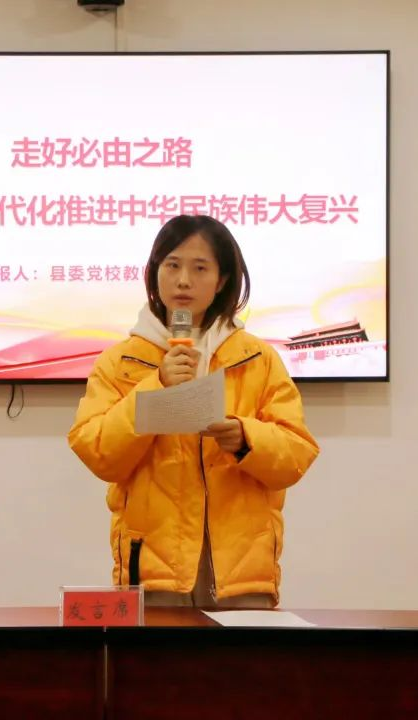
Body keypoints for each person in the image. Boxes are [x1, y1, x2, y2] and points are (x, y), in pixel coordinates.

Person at [68, 215, 319, 608]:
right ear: (155, 273)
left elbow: (296, 454)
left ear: (221, 280)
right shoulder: (121, 363)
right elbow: (98, 452)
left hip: (241, 573)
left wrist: (244, 438)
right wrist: (156, 385)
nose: (183, 280)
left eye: (200, 268)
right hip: (153, 570)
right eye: (172, 265)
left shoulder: (257, 359)